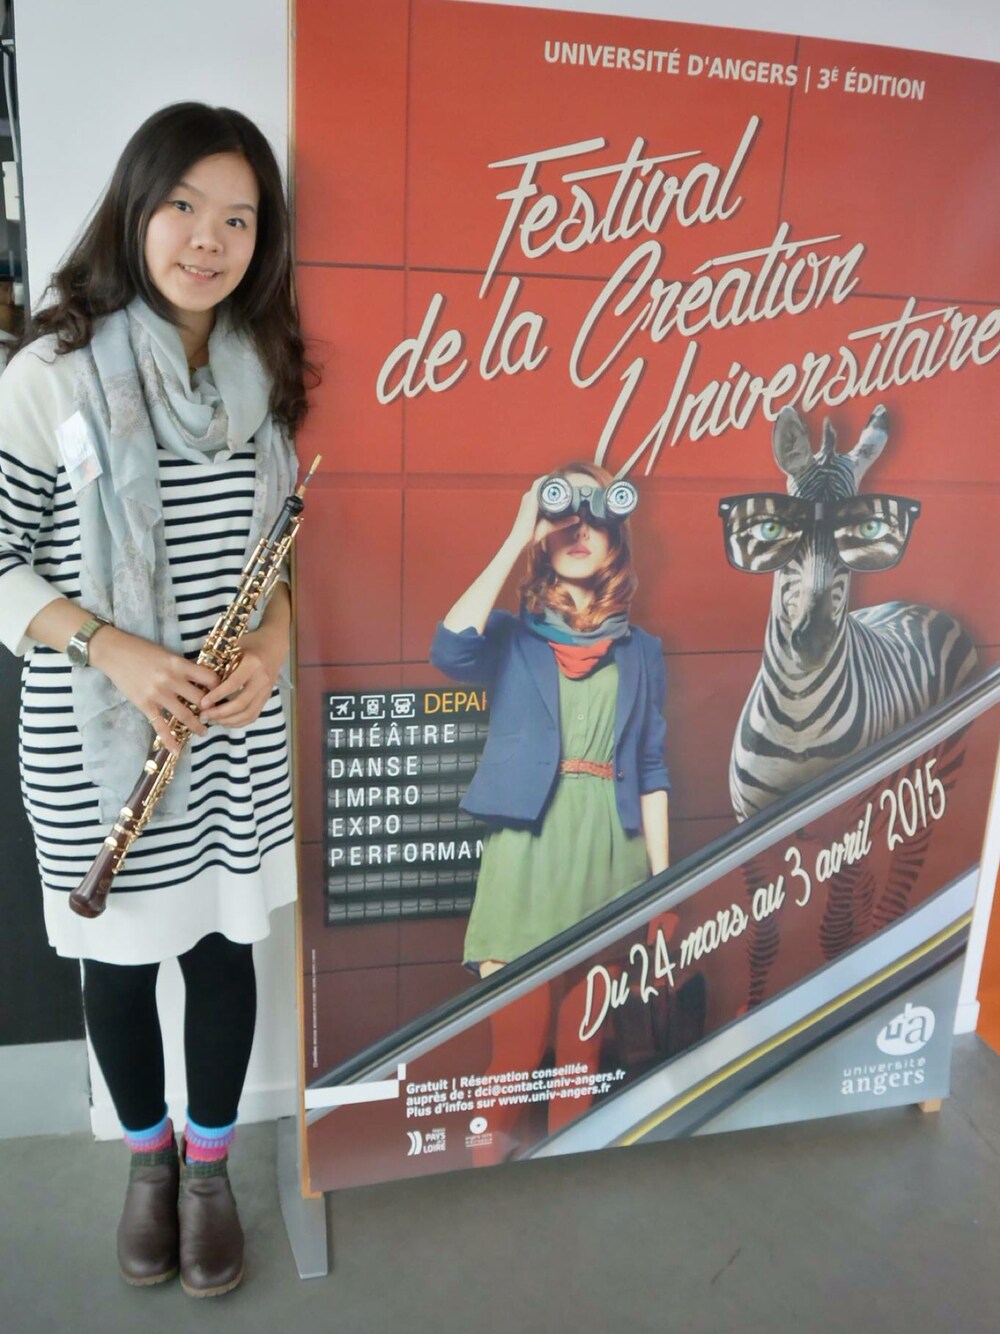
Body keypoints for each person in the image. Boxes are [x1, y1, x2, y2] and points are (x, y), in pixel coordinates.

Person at [0, 103, 312, 1297]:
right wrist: (114, 650)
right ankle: (148, 1161)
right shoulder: (51, 371)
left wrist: (272, 645)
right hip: (99, 739)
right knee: (121, 963)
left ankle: (210, 1168)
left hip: (229, 732)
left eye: (239, 217)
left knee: (225, 952)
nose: (207, 238)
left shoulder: (262, 371)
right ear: (136, 208)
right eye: (183, 205)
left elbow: (276, 564)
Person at [430, 463, 670, 977]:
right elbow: (450, 651)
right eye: (567, 516)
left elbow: (651, 770)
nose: (580, 530)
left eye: (596, 518)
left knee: (596, 1022)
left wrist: (666, 887)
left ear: (616, 536)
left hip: (612, 849)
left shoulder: (642, 650)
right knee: (517, 1019)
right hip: (525, 848)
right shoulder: (510, 637)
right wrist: (520, 534)